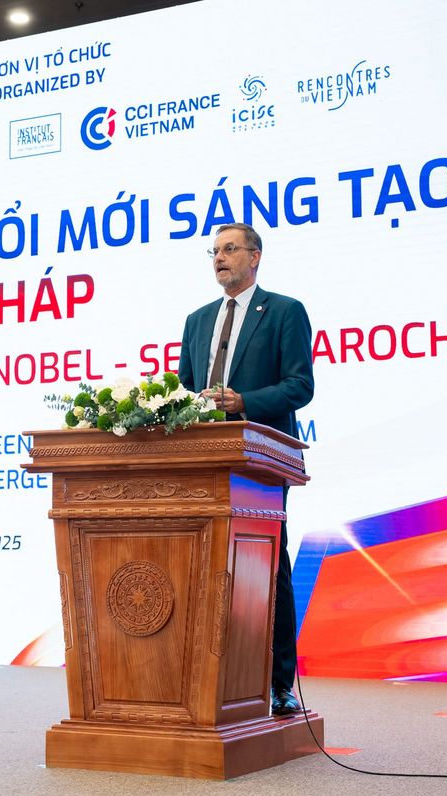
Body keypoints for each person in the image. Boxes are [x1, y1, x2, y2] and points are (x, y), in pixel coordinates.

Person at [176, 222, 314, 715]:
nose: (220, 258)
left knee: (267, 568)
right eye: (214, 251)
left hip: (259, 460)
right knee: (206, 567)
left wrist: (244, 401)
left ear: (254, 257)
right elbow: (183, 389)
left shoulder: (284, 311)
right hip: (204, 460)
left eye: (230, 249)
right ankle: (209, 677)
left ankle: (278, 683)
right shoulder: (197, 321)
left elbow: (300, 386)